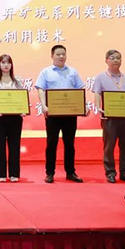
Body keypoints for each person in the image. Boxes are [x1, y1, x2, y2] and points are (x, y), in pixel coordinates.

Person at [35, 45, 85, 184]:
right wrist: (44, 105)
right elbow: (40, 89)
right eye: (58, 54)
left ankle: (70, 172)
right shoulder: (46, 72)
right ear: (52, 56)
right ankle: (50, 173)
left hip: (70, 114)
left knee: (69, 144)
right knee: (52, 143)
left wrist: (82, 107)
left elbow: (80, 90)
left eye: (63, 54)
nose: (61, 56)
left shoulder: (73, 72)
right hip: (53, 114)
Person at [92, 49, 125, 183]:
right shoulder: (101, 77)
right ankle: (110, 172)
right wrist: (99, 108)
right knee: (109, 146)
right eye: (112, 58)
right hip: (109, 118)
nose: (116, 60)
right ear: (106, 60)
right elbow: (97, 93)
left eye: (118, 58)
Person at [0, 54, 24, 182]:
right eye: (3, 62)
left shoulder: (17, 80)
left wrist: (22, 110)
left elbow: (21, 98)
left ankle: (14, 173)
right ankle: (1, 173)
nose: (6, 65)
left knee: (15, 145)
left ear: (11, 65)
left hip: (15, 118)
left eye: (8, 62)